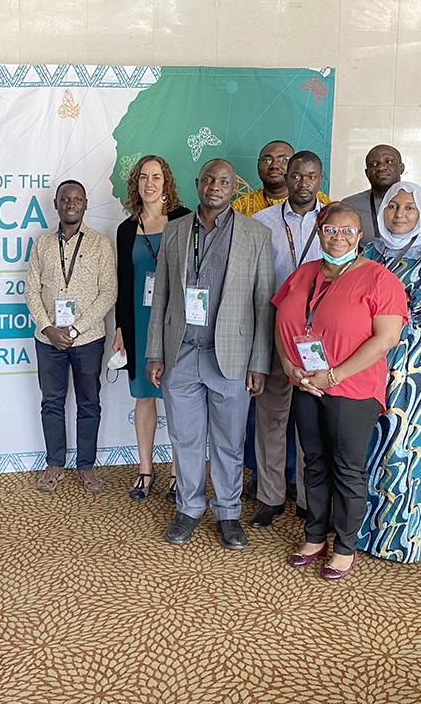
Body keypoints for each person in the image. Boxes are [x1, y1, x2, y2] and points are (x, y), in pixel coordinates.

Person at [273, 202, 406, 579]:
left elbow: (386, 339)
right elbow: (280, 320)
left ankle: (345, 546)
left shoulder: (380, 279)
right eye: (331, 230)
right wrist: (287, 366)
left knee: (347, 468)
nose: (338, 237)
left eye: (347, 231)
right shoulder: (303, 274)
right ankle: (315, 536)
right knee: (314, 463)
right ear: (319, 232)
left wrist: (333, 375)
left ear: (360, 236)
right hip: (304, 384)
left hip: (353, 389)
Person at [146, 158, 275, 550]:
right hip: (181, 353)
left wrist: (259, 362)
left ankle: (228, 512)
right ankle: (187, 508)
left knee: (229, 441)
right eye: (209, 179)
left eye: (224, 181)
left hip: (231, 357)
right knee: (185, 438)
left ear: (234, 188)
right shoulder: (176, 230)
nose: (215, 186)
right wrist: (155, 353)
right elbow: (162, 296)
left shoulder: (256, 234)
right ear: (197, 183)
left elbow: (264, 303)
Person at [355, 182, 421, 563]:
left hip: (412, 364)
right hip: (368, 359)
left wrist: (387, 318)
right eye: (392, 207)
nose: (399, 215)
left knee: (404, 448)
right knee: (367, 443)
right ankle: (362, 531)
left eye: (409, 208)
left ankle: (400, 540)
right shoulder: (368, 251)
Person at [248, 151, 326, 526]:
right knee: (271, 417)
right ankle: (270, 496)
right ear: (287, 177)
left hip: (318, 335)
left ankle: (309, 499)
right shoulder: (262, 222)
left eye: (311, 176)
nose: (303, 182)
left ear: (319, 179)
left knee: (311, 420)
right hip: (273, 328)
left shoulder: (333, 222)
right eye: (297, 175)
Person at [27, 180, 117, 493]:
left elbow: (109, 293)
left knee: (89, 402)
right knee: (51, 401)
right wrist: (48, 328)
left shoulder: (100, 244)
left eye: (77, 199)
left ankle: (87, 466)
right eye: (65, 199)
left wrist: (76, 329)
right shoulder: (41, 244)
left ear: (85, 204)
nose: (71, 203)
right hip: (48, 340)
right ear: (56, 204)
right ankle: (55, 463)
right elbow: (31, 291)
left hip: (88, 339)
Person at [112, 156, 191, 501]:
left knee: (177, 398)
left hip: (176, 320)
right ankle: (145, 469)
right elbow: (123, 282)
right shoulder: (126, 228)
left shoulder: (184, 219)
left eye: (156, 176)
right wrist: (120, 328)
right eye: (143, 177)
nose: (150, 183)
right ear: (136, 184)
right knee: (144, 396)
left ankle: (177, 471)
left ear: (166, 182)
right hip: (139, 321)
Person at [342, 144, 421, 245]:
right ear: (367, 173)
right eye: (374, 164)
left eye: (389, 161)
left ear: (401, 168)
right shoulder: (349, 206)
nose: (381, 167)